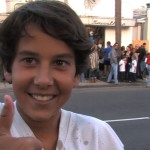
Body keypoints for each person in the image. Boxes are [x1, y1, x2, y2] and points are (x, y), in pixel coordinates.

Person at [0, 1, 124, 150]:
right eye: (29, 60)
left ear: (76, 74)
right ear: (8, 69)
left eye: (60, 63)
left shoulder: (98, 136)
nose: (43, 80)